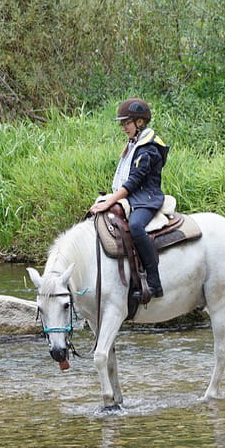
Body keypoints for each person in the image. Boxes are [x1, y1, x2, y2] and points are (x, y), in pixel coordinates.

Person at [89, 98, 167, 304]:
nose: (123, 128)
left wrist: (109, 202)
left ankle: (154, 282)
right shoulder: (133, 144)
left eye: (127, 123)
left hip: (146, 199)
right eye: (122, 124)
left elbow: (133, 182)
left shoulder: (148, 148)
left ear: (140, 122)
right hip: (132, 197)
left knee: (136, 226)